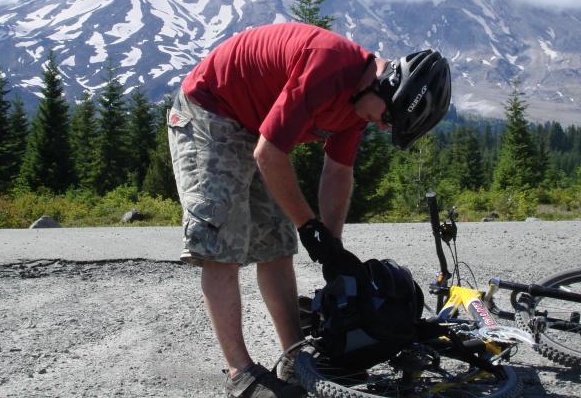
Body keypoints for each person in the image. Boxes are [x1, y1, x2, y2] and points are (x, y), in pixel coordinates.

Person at [167, 22, 451, 397]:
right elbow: (269, 154)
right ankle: (241, 373)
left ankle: (294, 359)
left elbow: (338, 171)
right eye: (387, 119)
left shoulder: (361, 104)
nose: (382, 127)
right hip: (210, 110)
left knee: (276, 246)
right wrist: (308, 225)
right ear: (385, 84)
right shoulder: (328, 65)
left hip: (256, 128)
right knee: (222, 247)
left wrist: (331, 245)